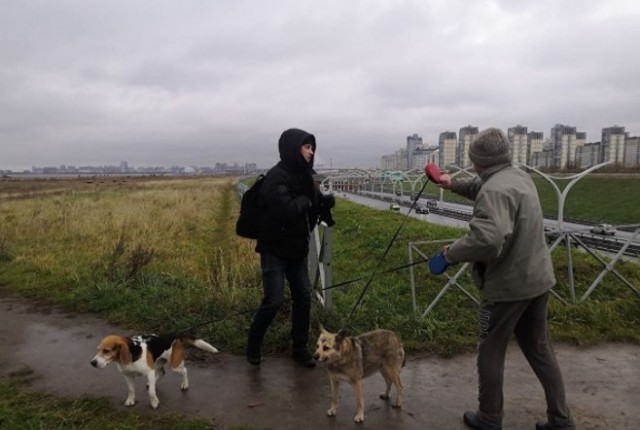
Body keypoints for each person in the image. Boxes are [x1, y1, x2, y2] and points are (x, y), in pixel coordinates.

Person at [436, 128, 576, 430]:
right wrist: (451, 184)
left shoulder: (494, 190)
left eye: (474, 161)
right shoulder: (518, 176)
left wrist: (450, 254)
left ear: (481, 161)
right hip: (537, 280)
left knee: (490, 349)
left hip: (507, 288)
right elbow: (483, 187)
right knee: (540, 349)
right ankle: (561, 419)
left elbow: (487, 239)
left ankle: (489, 417)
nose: (472, 166)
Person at [247, 128, 335, 368]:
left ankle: (299, 347)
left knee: (304, 298)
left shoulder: (309, 174)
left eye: (312, 147)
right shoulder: (277, 176)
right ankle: (253, 343)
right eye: (306, 147)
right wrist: (308, 198)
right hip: (274, 249)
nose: (311, 151)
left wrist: (326, 198)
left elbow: (319, 202)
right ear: (293, 148)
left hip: (297, 248)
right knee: (273, 300)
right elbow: (285, 210)